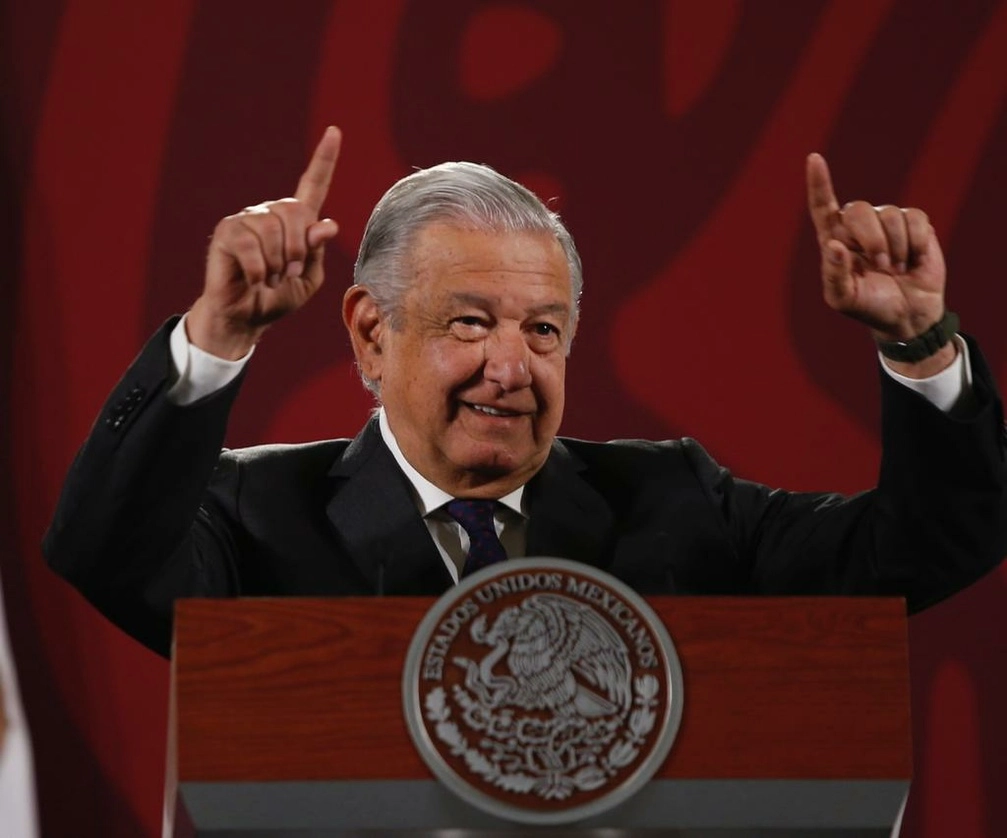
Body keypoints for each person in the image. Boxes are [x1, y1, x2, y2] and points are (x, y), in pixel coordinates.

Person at [43, 127, 1006, 657]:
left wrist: (922, 344)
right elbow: (103, 552)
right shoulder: (250, 517)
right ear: (372, 335)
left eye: (542, 331)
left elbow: (922, 550)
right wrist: (218, 336)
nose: (512, 368)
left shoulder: (677, 503)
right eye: (469, 322)